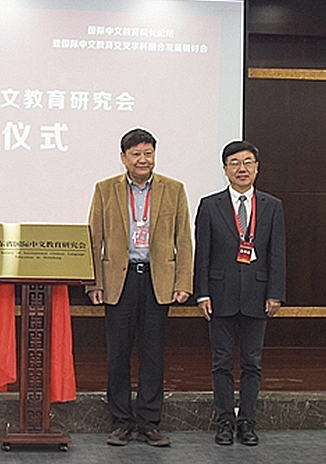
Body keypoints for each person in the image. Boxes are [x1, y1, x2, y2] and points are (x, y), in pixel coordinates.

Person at [87, 128, 193, 447]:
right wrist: (94, 283)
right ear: (123, 158)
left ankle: (149, 422)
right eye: (136, 154)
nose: (143, 159)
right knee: (117, 354)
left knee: (153, 354)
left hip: (157, 280)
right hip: (119, 281)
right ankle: (121, 422)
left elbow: (184, 240)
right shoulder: (105, 189)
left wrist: (183, 282)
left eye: (148, 153)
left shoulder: (174, 189)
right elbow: (94, 238)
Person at [194, 140, 286, 447]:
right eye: (234, 163)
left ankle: (247, 421)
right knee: (221, 362)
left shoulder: (272, 206)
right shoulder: (210, 205)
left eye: (247, 162)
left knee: (252, 362)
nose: (241, 168)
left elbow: (277, 254)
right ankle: (224, 421)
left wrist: (275, 293)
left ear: (257, 168)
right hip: (219, 295)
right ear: (225, 170)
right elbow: (202, 255)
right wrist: (202, 293)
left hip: (258, 295)